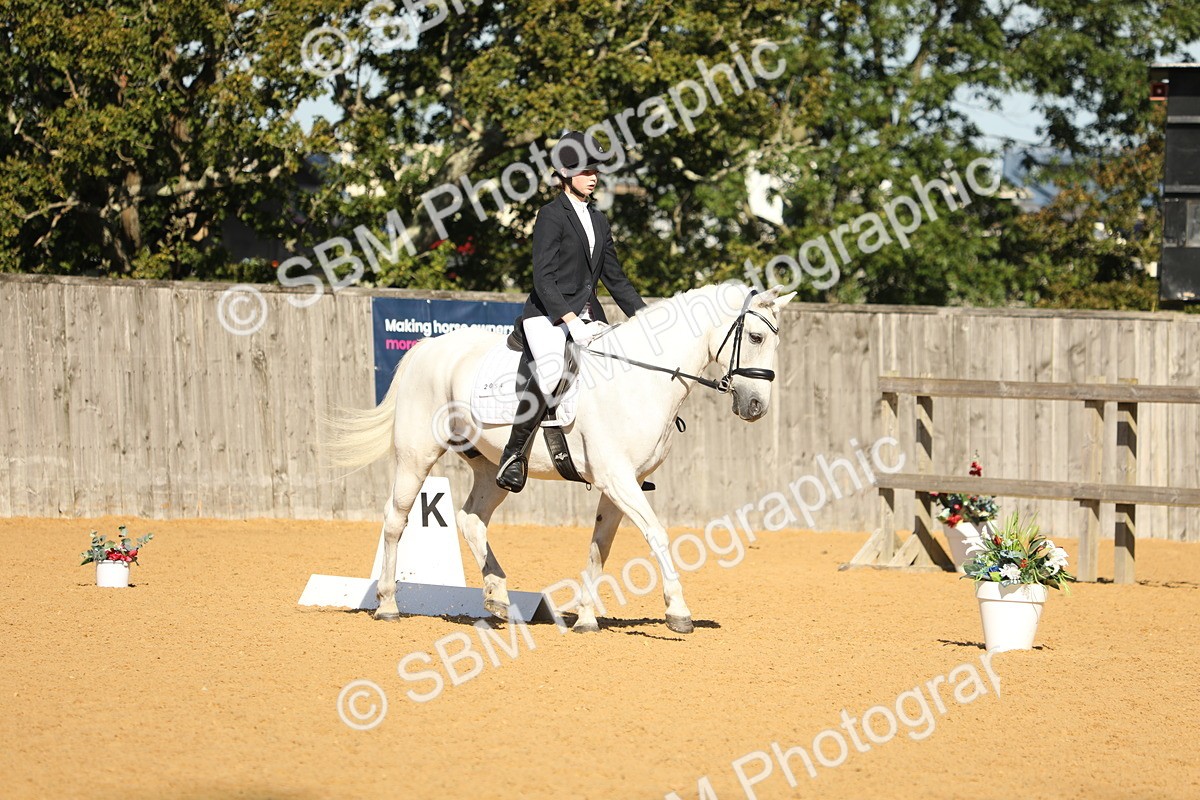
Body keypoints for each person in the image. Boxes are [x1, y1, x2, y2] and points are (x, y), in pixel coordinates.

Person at [496, 131, 648, 493]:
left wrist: (646, 318)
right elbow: (543, 279)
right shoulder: (551, 216)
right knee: (550, 373)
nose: (593, 176)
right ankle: (513, 455)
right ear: (565, 174)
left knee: (618, 366)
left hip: (587, 313)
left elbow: (615, 278)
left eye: (596, 170)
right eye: (585, 170)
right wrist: (570, 321)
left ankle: (622, 459)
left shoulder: (599, 220)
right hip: (547, 313)